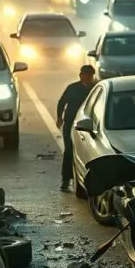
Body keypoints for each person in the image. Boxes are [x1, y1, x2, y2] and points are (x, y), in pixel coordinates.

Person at [56, 64, 96, 192]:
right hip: (70, 124)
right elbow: (61, 102)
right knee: (69, 150)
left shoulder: (95, 90)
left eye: (91, 76)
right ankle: (65, 179)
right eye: (86, 75)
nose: (88, 78)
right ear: (81, 76)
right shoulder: (72, 88)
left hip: (88, 126)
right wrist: (59, 118)